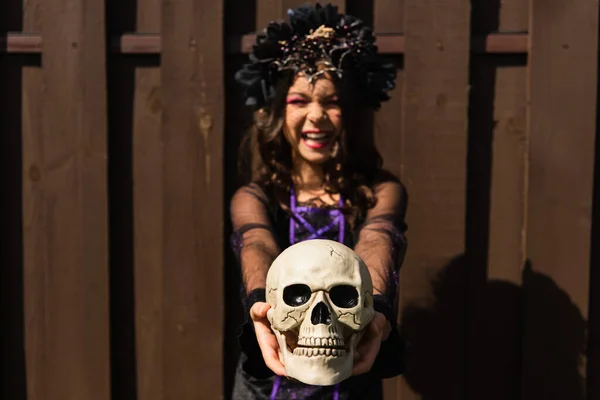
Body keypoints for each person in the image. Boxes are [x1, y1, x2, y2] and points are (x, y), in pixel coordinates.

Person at [230, 3, 408, 399]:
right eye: (299, 101)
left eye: (331, 101)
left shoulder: (381, 192)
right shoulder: (255, 197)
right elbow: (255, 242)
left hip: (350, 368)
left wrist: (373, 307)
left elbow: (379, 239)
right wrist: (262, 303)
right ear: (278, 110)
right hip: (268, 384)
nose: (317, 116)